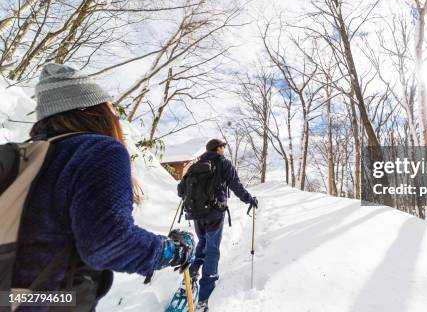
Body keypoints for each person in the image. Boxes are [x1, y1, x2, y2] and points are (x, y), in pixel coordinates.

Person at [11, 63, 195, 311]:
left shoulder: (25, 156)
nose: (116, 116)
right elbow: (107, 244)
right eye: (110, 107)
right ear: (92, 110)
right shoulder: (98, 150)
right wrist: (172, 251)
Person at [178, 138, 258, 312]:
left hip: (196, 214)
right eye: (223, 147)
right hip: (215, 213)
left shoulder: (195, 165)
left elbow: (180, 191)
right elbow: (236, 185)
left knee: (203, 243)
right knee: (212, 249)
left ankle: (191, 275)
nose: (224, 150)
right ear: (218, 148)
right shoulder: (223, 164)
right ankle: (204, 298)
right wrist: (249, 199)